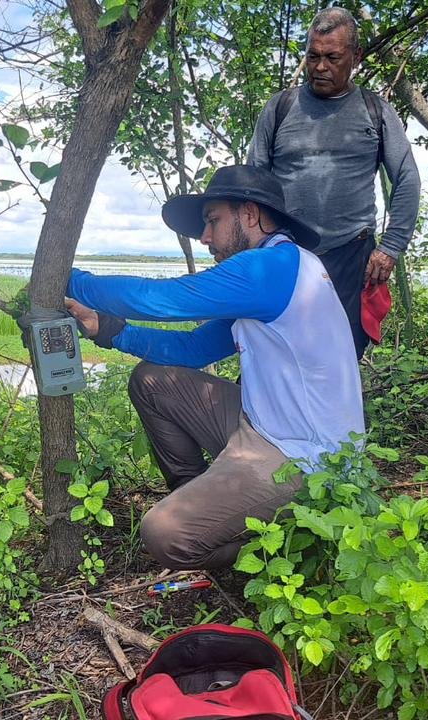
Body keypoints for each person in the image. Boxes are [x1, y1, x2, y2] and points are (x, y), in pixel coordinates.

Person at [63, 165, 364, 570]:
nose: (205, 237)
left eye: (213, 220)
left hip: (304, 458)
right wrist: (109, 329)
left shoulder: (271, 267)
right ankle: (201, 497)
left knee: (164, 534)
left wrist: (69, 279)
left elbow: (163, 299)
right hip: (262, 426)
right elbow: (192, 349)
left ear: (250, 215)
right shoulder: (279, 275)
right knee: (153, 381)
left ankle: (295, 537)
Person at [248, 6, 420, 358]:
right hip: (287, 256)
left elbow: (406, 178)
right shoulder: (280, 107)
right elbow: (253, 184)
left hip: (350, 258)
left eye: (332, 57)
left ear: (355, 56)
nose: (320, 67)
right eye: (313, 56)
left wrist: (390, 248)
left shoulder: (375, 110)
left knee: (339, 358)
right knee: (273, 352)